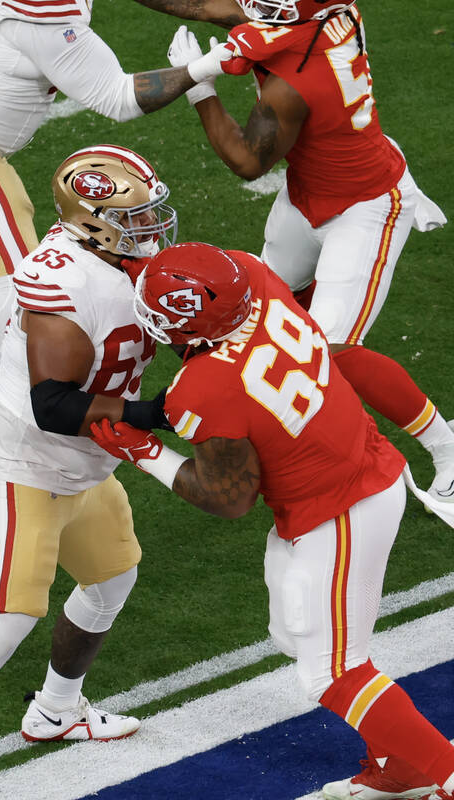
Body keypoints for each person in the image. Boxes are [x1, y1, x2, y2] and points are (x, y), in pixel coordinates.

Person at [91, 242, 454, 800]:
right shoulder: (254, 278)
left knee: (333, 672)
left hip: (341, 510)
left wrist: (146, 454)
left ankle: (440, 771)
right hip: (349, 475)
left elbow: (230, 497)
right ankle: (405, 768)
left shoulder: (206, 385)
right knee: (297, 635)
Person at [0, 144, 180, 800]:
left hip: (85, 461)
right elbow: (53, 406)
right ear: (93, 222)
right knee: (5, 622)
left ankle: (55, 710)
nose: (153, 229)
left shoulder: (121, 261)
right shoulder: (66, 283)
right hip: (25, 465)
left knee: (111, 580)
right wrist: (156, 412)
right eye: (136, 218)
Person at [0, 0, 243, 493]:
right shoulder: (42, 12)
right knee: (17, 284)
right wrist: (207, 66)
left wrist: (227, 14)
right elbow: (119, 98)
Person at [165, 0, 454, 507]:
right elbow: (216, 8)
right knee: (257, 314)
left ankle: (446, 447)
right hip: (307, 194)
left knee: (330, 351)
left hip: (365, 209)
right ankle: (271, 418)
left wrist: (200, 87)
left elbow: (246, 160)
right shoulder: (315, 20)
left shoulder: (296, 81)